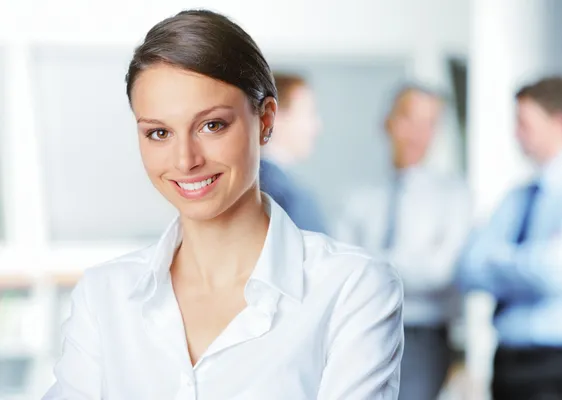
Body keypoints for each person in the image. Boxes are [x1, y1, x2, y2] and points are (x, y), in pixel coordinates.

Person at [42, 9, 404, 400]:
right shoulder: (104, 296)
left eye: (211, 125)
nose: (185, 160)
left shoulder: (351, 289)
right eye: (159, 132)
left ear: (265, 120)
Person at [456, 76, 562, 400]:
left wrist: (499, 260)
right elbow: (467, 268)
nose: (516, 134)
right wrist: (527, 261)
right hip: (507, 360)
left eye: (524, 123)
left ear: (560, 123)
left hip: (558, 363)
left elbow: (555, 272)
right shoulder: (516, 197)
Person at [336, 84, 471, 400]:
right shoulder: (358, 198)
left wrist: (371, 263)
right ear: (388, 122)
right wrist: (406, 262)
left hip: (424, 337)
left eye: (430, 123)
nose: (417, 134)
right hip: (362, 332)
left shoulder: (454, 197)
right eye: (410, 119)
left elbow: (440, 271)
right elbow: (341, 270)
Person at [259, 72, 327, 233]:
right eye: (309, 113)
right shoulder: (290, 196)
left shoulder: (241, 185)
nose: (317, 126)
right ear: (273, 116)